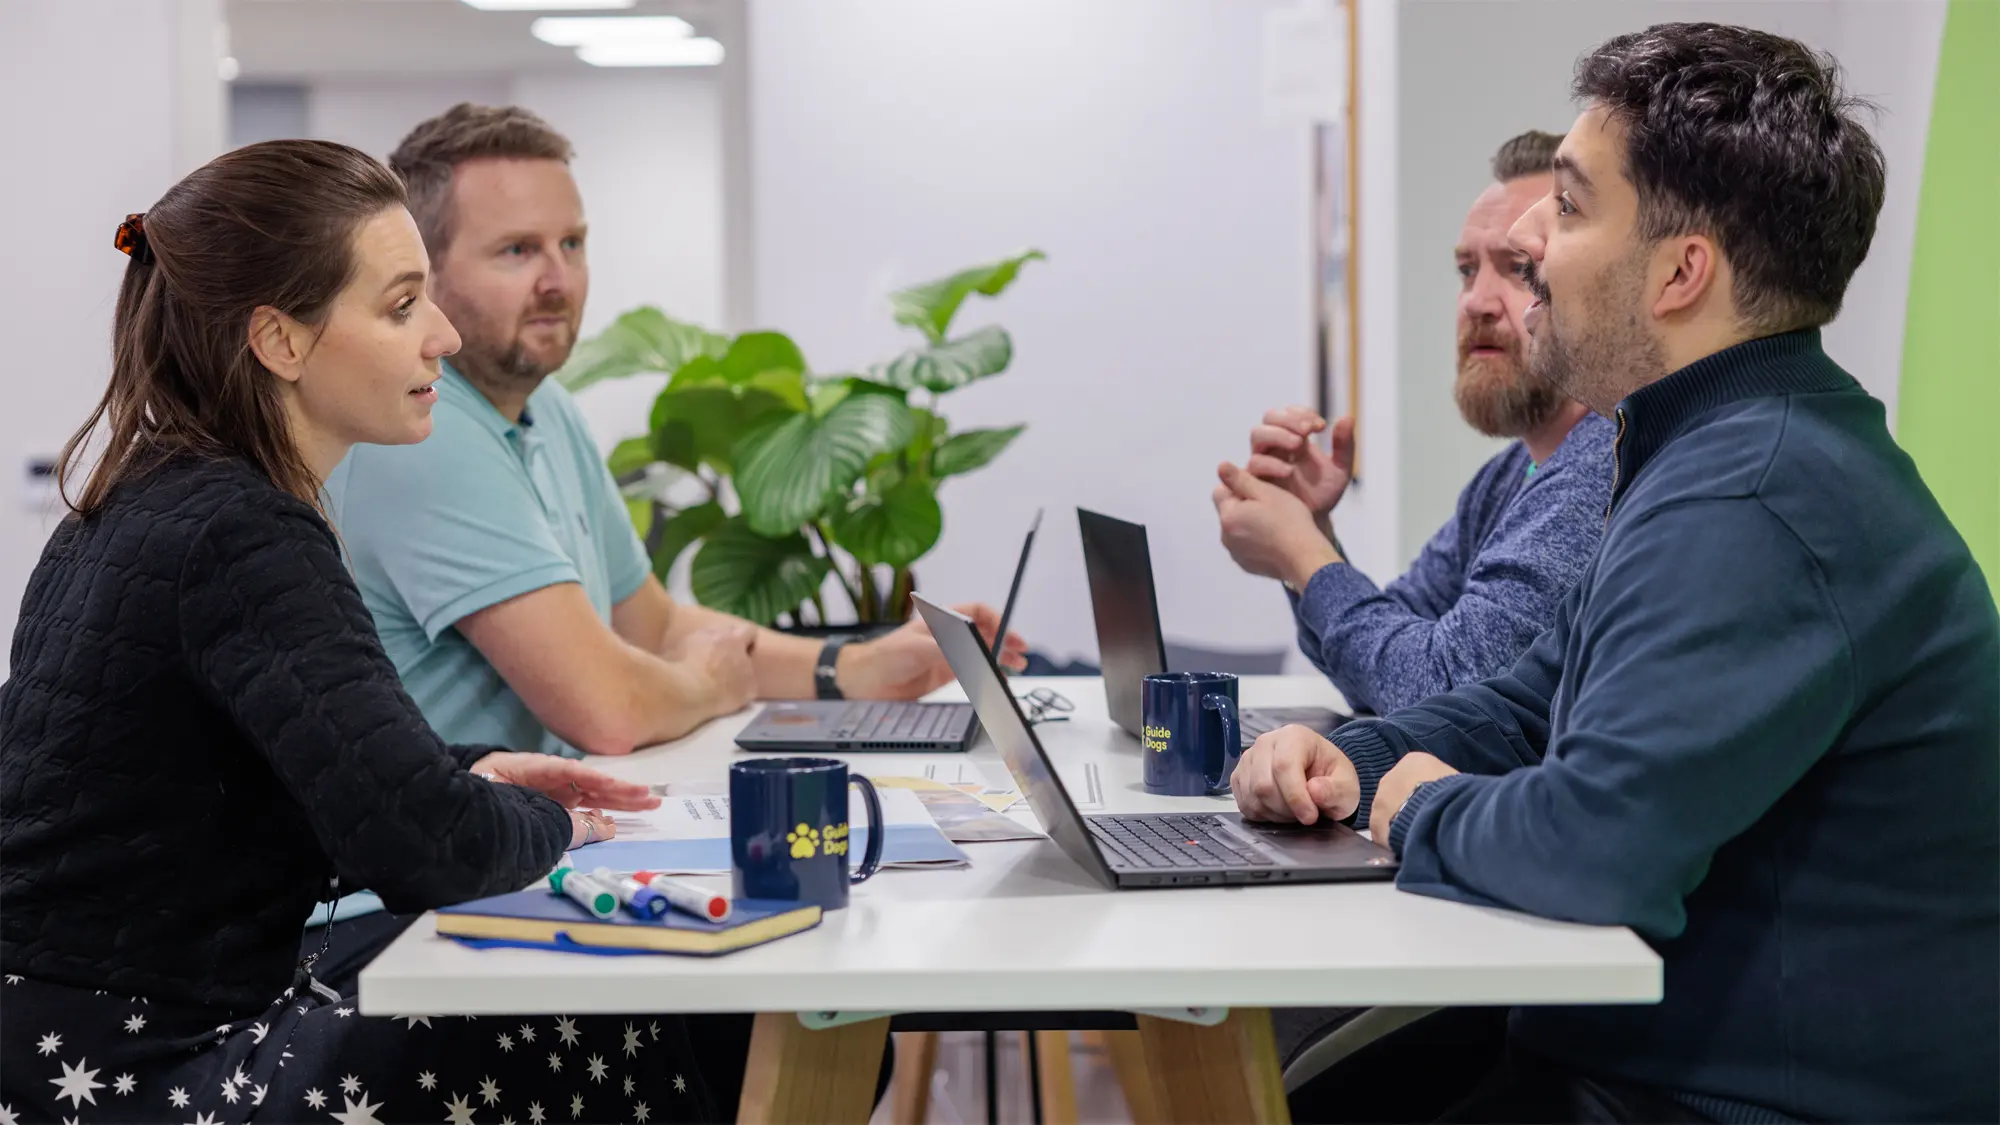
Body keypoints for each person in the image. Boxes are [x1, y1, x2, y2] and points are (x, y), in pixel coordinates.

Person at [1235, 24, 1999, 1123]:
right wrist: (1349, 758)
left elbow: (1596, 853)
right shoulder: (1711, 451)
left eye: (1571, 206)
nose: (1535, 243)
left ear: (1680, 272)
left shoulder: (1754, 495)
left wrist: (1418, 810)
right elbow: (1524, 701)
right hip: (1655, 1061)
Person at [0, 141, 743, 1125]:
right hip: (136, 1068)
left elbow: (313, 772)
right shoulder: (243, 530)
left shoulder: (146, 497)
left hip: (74, 1037)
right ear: (280, 341)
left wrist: (469, 771)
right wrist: (564, 828)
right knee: (633, 1020)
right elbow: (422, 851)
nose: (439, 336)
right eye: (400, 307)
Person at [1214, 130, 1615, 717]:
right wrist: (1313, 535)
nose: (1476, 301)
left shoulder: (1603, 465)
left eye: (1517, 268)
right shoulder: (1507, 478)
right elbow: (1381, 655)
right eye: (1465, 269)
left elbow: (1438, 692)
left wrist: (1300, 553)